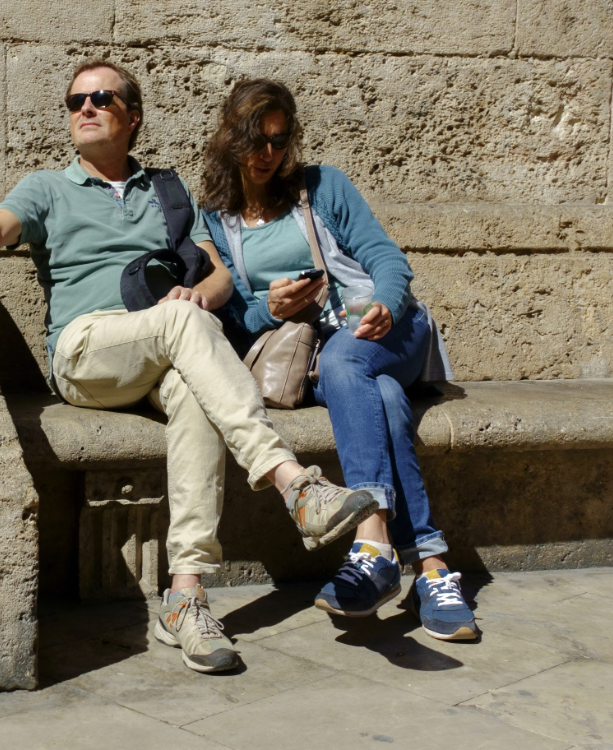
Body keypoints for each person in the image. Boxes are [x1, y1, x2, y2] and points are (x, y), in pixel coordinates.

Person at [0, 59, 378, 673]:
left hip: (161, 347)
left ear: (132, 117)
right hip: (86, 351)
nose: (85, 108)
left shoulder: (167, 190)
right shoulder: (47, 187)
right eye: (75, 101)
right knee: (183, 326)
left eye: (102, 99)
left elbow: (219, 277)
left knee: (195, 392)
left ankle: (186, 596)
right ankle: (292, 481)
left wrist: (197, 296)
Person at [201, 79, 476, 641]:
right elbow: (231, 315)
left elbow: (387, 259)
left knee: (350, 361)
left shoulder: (322, 186)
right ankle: (431, 566)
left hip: (388, 330)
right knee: (383, 397)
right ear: (230, 137)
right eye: (255, 139)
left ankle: (371, 542)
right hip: (316, 359)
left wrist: (385, 303)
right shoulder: (214, 217)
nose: (267, 153)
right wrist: (269, 308)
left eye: (279, 140)